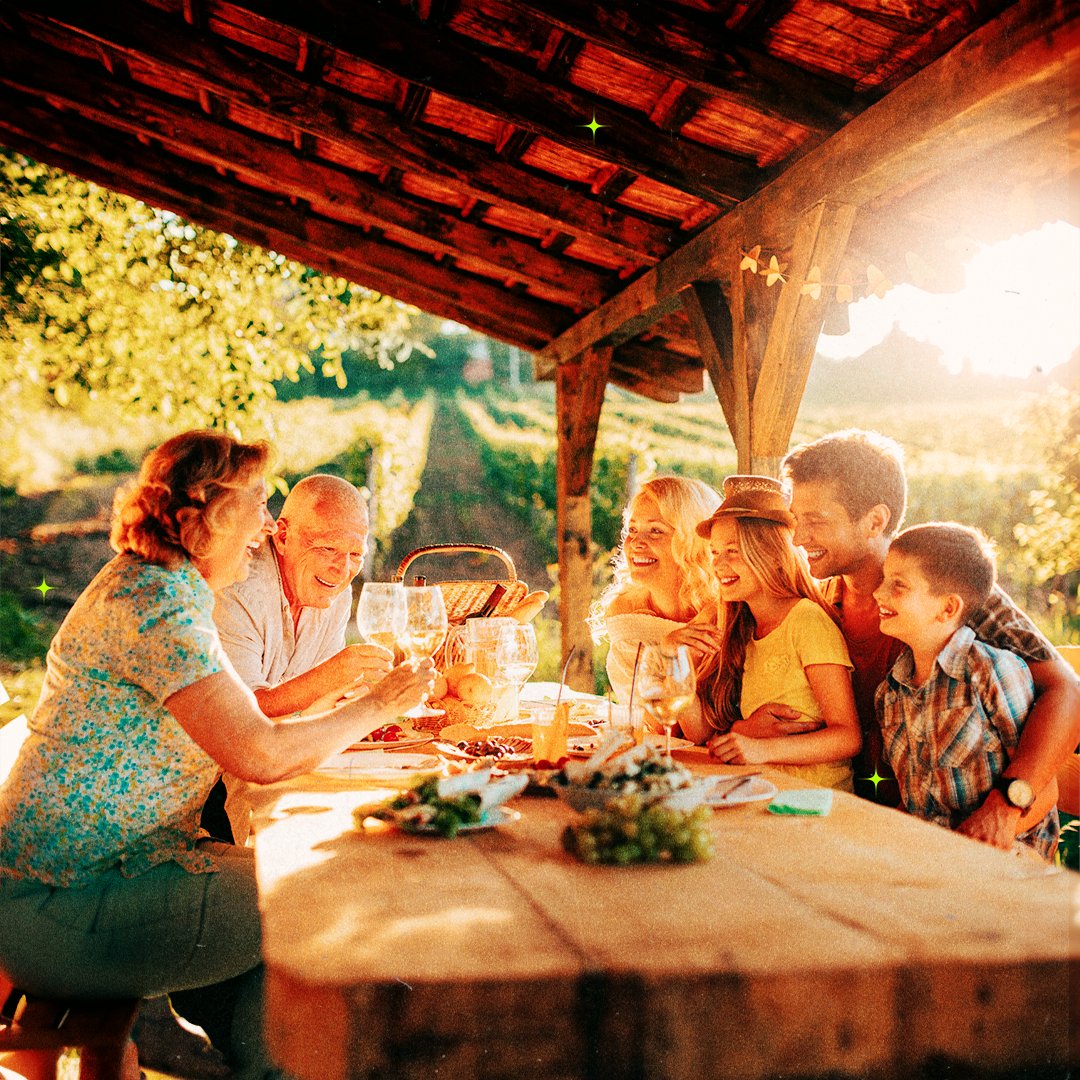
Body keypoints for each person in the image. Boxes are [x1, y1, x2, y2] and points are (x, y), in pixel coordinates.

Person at [0, 431, 433, 1080]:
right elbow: (257, 749)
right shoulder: (153, 607)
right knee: (316, 902)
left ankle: (268, 1066)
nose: (265, 524)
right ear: (203, 518)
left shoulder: (169, 589)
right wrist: (380, 704)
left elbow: (253, 722)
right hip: (65, 903)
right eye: (257, 503)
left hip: (109, 871)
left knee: (312, 894)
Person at [781, 429, 1079, 847]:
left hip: (979, 845)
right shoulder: (818, 603)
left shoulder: (945, 589)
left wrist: (1006, 804)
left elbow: (1066, 690)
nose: (797, 538)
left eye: (814, 521)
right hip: (871, 825)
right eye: (795, 520)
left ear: (875, 521)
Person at [873, 523, 1057, 860]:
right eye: (884, 580)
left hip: (1005, 863)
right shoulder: (890, 694)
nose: (879, 594)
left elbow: (1046, 788)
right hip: (931, 860)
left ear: (947, 609)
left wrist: (983, 841)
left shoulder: (993, 672)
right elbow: (919, 802)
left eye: (897, 586)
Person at [679, 475, 861, 791]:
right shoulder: (743, 627)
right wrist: (675, 664)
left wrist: (761, 749)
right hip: (763, 788)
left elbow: (848, 737)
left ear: (773, 556)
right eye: (714, 552)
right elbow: (697, 732)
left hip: (815, 799)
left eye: (732, 551)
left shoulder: (806, 620)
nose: (718, 564)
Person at [591, 475, 722, 703]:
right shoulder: (626, 613)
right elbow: (652, 720)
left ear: (692, 541)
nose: (635, 543)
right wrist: (668, 651)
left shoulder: (727, 607)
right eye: (632, 529)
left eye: (655, 531)